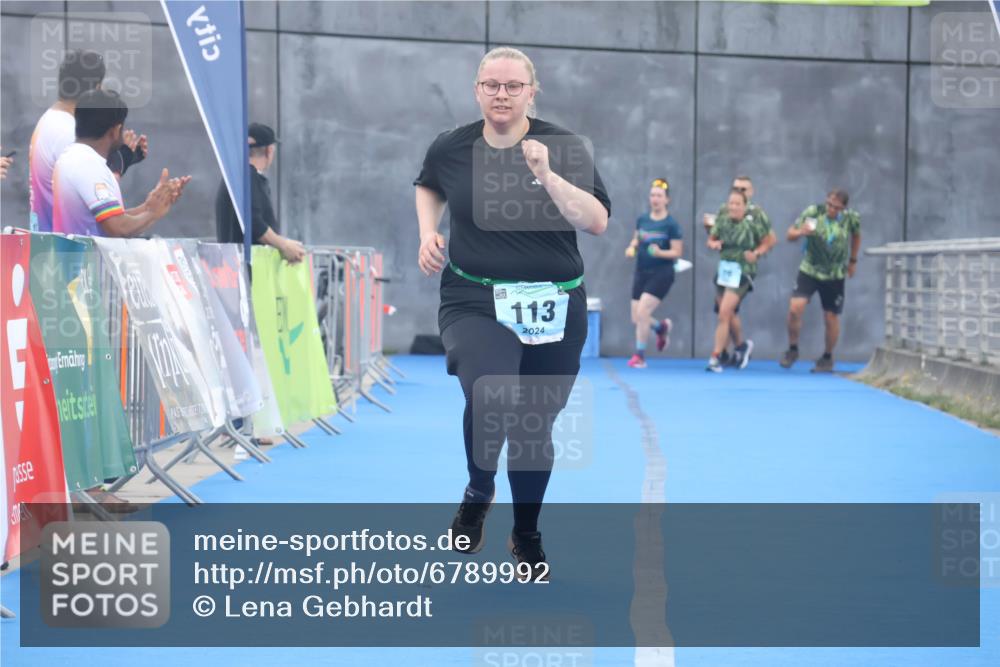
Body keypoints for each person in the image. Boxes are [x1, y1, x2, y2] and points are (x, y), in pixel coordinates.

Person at [414, 46, 610, 580]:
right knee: (491, 389)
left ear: (532, 91)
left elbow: (595, 221)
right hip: (475, 298)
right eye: (492, 85)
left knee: (532, 426)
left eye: (513, 86)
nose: (502, 94)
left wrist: (547, 175)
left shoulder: (562, 146)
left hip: (553, 301)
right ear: (477, 89)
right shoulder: (451, 147)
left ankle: (526, 531)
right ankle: (479, 489)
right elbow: (428, 184)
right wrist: (428, 232)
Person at [29, 49, 148, 232]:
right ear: (96, 89)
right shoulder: (67, 133)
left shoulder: (53, 119)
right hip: (64, 249)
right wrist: (123, 157)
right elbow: (97, 189)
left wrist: (121, 153)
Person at [52, 89, 189, 237]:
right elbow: (118, 228)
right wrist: (152, 213)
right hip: (84, 260)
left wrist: (150, 206)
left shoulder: (74, 157)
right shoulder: (86, 163)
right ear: (115, 131)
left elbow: (113, 220)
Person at [780, 189, 861, 372]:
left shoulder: (851, 218)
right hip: (810, 268)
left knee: (830, 316)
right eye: (829, 205)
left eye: (837, 207)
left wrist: (853, 260)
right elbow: (789, 234)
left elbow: (856, 236)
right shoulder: (813, 212)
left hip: (834, 273)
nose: (832, 209)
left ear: (844, 208)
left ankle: (827, 357)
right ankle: (792, 349)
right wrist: (802, 232)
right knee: (795, 307)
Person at [705, 187, 775, 373]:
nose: (734, 207)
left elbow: (768, 240)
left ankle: (715, 356)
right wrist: (714, 243)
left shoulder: (753, 223)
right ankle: (741, 346)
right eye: (731, 203)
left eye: (738, 204)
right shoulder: (722, 221)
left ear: (745, 206)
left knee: (724, 312)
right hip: (725, 270)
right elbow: (711, 238)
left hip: (744, 270)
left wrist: (757, 253)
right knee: (728, 313)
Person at [215, 122, 305, 263]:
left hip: (235, 268)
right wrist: (284, 245)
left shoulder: (236, 177)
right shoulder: (247, 177)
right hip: (249, 271)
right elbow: (254, 222)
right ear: (270, 151)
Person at [625, 177, 683, 369]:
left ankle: (639, 356)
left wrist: (660, 252)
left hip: (662, 273)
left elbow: (677, 252)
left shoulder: (671, 225)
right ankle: (661, 328)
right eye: (652, 195)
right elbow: (636, 239)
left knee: (643, 312)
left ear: (667, 200)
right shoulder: (642, 220)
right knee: (636, 317)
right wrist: (632, 247)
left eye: (659, 195)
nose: (655, 199)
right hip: (641, 272)